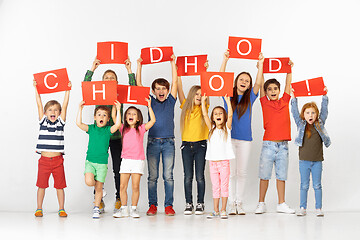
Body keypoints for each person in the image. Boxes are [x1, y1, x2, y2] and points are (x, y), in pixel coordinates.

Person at [84, 57, 137, 213]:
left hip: (116, 137)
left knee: (117, 169)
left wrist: (129, 70)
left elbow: (133, 90)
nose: (108, 80)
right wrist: (92, 69)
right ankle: (98, 201)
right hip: (99, 137)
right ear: (101, 81)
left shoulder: (120, 92)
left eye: (112, 78)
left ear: (116, 81)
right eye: (106, 78)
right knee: (95, 168)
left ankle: (119, 199)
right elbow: (86, 86)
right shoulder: (97, 93)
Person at [220, 50, 263, 215]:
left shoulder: (250, 97)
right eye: (241, 79)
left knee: (242, 172)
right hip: (228, 139)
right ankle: (231, 204)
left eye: (247, 80)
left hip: (245, 140)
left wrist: (260, 65)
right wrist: (225, 60)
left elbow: (259, 83)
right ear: (236, 81)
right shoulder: (227, 95)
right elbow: (220, 78)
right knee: (230, 173)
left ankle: (239, 203)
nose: (244, 82)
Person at [136, 55, 177, 216]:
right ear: (153, 91)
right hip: (153, 142)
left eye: (163, 88)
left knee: (168, 176)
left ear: (167, 91)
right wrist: (139, 66)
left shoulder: (171, 101)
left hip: (168, 143)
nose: (161, 91)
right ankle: (152, 205)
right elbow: (139, 85)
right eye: (158, 89)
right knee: (152, 177)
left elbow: (175, 81)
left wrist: (172, 63)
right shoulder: (150, 102)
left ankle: (168, 206)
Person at [255, 55, 295, 214]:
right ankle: (261, 203)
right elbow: (262, 79)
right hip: (268, 145)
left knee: (281, 175)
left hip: (283, 146)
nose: (272, 91)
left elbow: (288, 84)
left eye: (275, 89)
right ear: (265, 92)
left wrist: (289, 69)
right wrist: (261, 66)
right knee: (264, 175)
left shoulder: (285, 100)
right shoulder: (264, 102)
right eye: (269, 89)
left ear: (279, 91)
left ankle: (281, 203)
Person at [76, 100, 121, 218]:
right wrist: (80, 109)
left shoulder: (108, 130)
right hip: (90, 162)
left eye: (104, 115)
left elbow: (117, 125)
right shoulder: (91, 128)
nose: (102, 117)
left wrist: (118, 109)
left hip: (102, 164)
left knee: (99, 187)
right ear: (95, 118)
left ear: (107, 120)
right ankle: (100, 190)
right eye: (99, 114)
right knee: (89, 182)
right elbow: (79, 124)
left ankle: (96, 207)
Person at [33, 80, 71, 218]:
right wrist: (36, 88)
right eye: (50, 110)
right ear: (45, 112)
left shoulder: (61, 122)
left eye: (55, 110)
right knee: (41, 185)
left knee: (60, 186)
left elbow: (65, 105)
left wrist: (68, 90)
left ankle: (61, 208)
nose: (53, 112)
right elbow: (38, 103)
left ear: (59, 113)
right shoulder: (42, 121)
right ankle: (39, 208)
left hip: (57, 161)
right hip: (43, 160)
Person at [291, 87, 330, 217]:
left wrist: (324, 96)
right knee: (304, 185)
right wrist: (294, 98)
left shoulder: (320, 124)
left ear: (316, 114)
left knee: (317, 185)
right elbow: (294, 112)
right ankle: (303, 207)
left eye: (313, 113)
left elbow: (325, 110)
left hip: (317, 161)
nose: (310, 115)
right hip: (304, 161)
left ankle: (318, 208)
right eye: (307, 113)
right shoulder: (300, 124)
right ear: (304, 115)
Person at [113, 100, 156, 218]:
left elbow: (152, 121)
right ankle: (124, 209)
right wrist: (117, 108)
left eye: (134, 114)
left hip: (138, 161)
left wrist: (149, 106)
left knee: (135, 186)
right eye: (128, 114)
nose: (131, 116)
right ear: (125, 117)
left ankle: (133, 209)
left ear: (138, 118)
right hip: (126, 160)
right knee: (122, 186)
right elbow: (113, 117)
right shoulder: (122, 128)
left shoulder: (141, 128)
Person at [178, 75, 209, 215]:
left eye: (201, 94)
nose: (199, 96)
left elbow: (207, 91)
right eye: (197, 94)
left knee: (200, 176)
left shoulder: (205, 108)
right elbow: (179, 89)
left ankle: (200, 203)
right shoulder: (185, 106)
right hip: (186, 146)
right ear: (192, 95)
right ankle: (188, 203)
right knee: (188, 176)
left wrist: (206, 72)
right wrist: (177, 74)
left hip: (201, 146)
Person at [202, 94, 234, 219]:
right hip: (213, 163)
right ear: (213, 118)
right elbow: (205, 115)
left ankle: (223, 209)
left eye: (221, 113)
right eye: (215, 114)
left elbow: (230, 115)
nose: (218, 115)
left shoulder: (227, 128)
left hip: (224, 163)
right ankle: (215, 210)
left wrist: (227, 102)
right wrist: (204, 102)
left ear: (224, 116)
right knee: (215, 187)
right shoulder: (211, 129)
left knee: (224, 186)